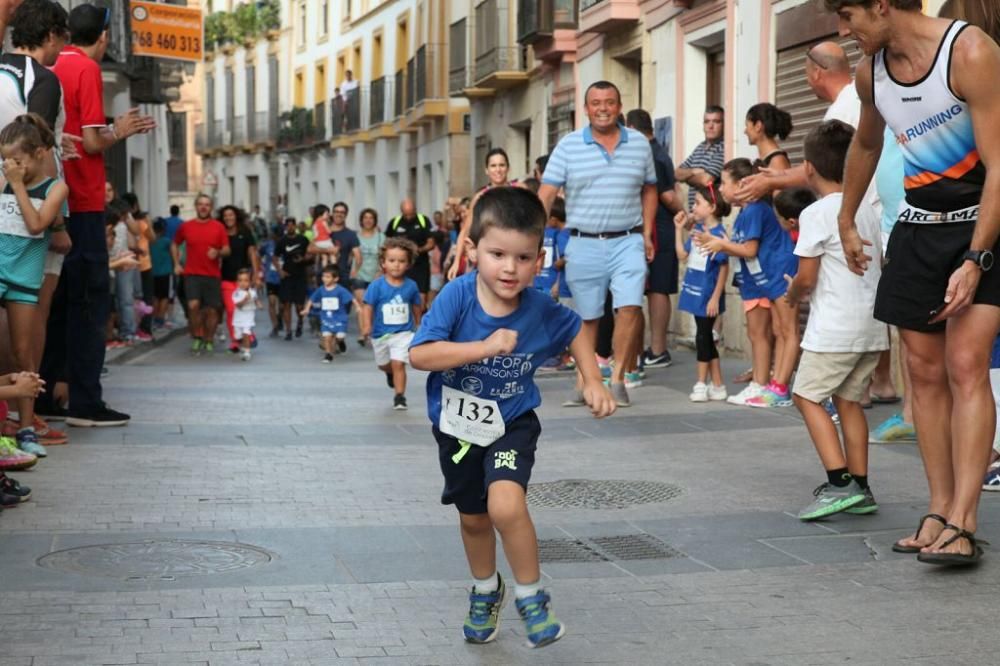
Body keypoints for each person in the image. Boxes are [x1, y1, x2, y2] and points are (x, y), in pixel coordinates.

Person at [409, 187, 616, 648]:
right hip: (457, 429)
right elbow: (420, 355)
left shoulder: (540, 307)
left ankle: (531, 596)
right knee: (474, 518)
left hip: (512, 423)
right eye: (497, 254)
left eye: (522, 258)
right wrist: (483, 348)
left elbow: (576, 329)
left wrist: (592, 379)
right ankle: (486, 589)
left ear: (538, 259)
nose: (509, 268)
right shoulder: (457, 297)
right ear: (472, 251)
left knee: (506, 505)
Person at [833, 0, 1000, 566]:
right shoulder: (869, 72)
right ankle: (938, 509)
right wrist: (845, 218)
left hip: (983, 226)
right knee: (923, 374)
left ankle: (965, 520)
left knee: (965, 366)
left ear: (882, 6)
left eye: (848, 14)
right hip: (918, 228)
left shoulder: (969, 50)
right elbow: (865, 143)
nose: (844, 29)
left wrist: (977, 257)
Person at [41, 2, 155, 428]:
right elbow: (90, 142)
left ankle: (49, 393)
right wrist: (118, 131)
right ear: (104, 36)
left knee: (54, 302)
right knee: (89, 303)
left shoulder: (52, 66)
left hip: (51, 199)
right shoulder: (86, 69)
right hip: (84, 203)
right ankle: (87, 401)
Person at [784, 120, 886, 520]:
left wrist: (792, 294)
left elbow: (806, 278)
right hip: (871, 328)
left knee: (805, 395)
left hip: (834, 330)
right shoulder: (868, 212)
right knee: (848, 402)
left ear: (808, 168)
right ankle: (861, 486)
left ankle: (839, 482)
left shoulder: (817, 213)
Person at [537, 81, 658, 408]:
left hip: (628, 240)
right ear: (586, 108)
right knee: (588, 318)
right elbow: (547, 192)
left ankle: (617, 378)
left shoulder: (639, 145)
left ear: (619, 107)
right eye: (595, 103)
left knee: (630, 307)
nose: (602, 108)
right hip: (583, 242)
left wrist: (646, 232)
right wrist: (534, 235)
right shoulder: (569, 145)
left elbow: (650, 188)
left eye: (609, 102)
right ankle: (586, 381)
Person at [698, 159, 798, 407]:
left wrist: (721, 244)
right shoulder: (746, 212)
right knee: (778, 330)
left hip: (780, 273)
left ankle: (779, 387)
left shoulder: (755, 210)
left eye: (724, 182)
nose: (719, 188)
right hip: (767, 278)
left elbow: (750, 249)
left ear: (741, 184)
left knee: (787, 330)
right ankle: (769, 385)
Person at [0, 114, 67, 457]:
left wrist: (19, 186)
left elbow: (37, 224)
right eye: (4, 159)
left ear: (39, 154)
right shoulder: (3, 179)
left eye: (17, 160)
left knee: (23, 355)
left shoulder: (55, 188)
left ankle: (26, 426)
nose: (10, 166)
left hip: (24, 278)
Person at [626, 108, 682, 369]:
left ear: (634, 129)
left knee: (657, 288)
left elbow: (667, 196)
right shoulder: (658, 151)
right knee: (653, 287)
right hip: (656, 229)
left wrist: (685, 214)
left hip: (658, 230)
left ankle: (658, 349)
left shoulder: (649, 154)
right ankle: (654, 348)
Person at [674, 183, 730, 402]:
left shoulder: (719, 234)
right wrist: (679, 230)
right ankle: (717, 384)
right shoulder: (697, 232)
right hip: (694, 291)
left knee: (702, 336)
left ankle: (700, 383)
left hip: (708, 294)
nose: (693, 207)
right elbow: (682, 255)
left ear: (712, 207)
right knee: (704, 336)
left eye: (697, 203)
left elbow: (723, 266)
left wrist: (716, 296)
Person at [360, 237, 422, 411]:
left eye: (401, 261)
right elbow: (368, 306)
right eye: (392, 260)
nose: (396, 265)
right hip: (381, 334)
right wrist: (366, 326)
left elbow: (417, 305)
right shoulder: (376, 286)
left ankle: (399, 396)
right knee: (384, 365)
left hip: (404, 333)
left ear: (408, 264)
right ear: (383, 263)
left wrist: (419, 324)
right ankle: (389, 373)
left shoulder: (411, 286)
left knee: (399, 363)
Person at [171, 194, 230, 356]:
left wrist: (217, 252)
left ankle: (209, 340)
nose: (203, 207)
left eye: (207, 205)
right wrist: (176, 264)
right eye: (200, 204)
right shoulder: (186, 226)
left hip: (212, 275)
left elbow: (227, 249)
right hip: (192, 274)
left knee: (212, 311)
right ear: (196, 206)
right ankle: (197, 336)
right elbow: (174, 244)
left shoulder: (218, 227)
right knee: (193, 306)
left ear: (210, 208)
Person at [447, 148, 516, 281]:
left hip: (514, 253)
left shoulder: (519, 190)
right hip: (490, 254)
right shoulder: (480, 197)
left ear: (508, 168)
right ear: (487, 170)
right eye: (493, 166)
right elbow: (465, 231)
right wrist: (456, 262)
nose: (498, 170)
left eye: (502, 165)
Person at [218, 205, 259, 353]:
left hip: (243, 279)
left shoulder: (245, 231)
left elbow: (252, 252)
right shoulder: (220, 232)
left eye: (231, 215)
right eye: (225, 216)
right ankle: (235, 340)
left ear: (236, 216)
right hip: (226, 278)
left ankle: (247, 333)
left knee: (245, 309)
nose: (228, 218)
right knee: (231, 310)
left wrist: (256, 273)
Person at [302, 265, 356, 363]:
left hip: (340, 318)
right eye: (323, 277)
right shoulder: (321, 289)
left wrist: (358, 307)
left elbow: (351, 298)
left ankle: (341, 342)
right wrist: (306, 309)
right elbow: (312, 299)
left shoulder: (340, 290)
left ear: (335, 279)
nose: (324, 279)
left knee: (339, 336)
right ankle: (328, 354)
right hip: (326, 317)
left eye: (328, 277)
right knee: (327, 336)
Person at [675, 106, 725, 208]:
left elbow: (706, 180)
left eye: (716, 121)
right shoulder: (700, 147)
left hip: (711, 215)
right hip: (695, 214)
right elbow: (676, 173)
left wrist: (686, 178)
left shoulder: (723, 148)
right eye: (707, 122)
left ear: (724, 125)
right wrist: (693, 171)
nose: (710, 126)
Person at [385, 198, 434, 303]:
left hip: (420, 264)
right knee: (401, 294)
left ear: (415, 210)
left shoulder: (423, 220)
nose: (409, 217)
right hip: (401, 265)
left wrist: (419, 250)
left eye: (411, 214)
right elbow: (387, 242)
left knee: (421, 296)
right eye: (406, 214)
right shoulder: (395, 222)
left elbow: (431, 243)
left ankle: (420, 316)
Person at [274, 217, 311, 341]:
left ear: (295, 226)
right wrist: (280, 271)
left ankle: (300, 323)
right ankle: (288, 331)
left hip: (300, 276)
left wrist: (304, 259)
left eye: (292, 225)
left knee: (299, 306)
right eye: (288, 225)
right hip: (287, 276)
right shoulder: (282, 241)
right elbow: (275, 257)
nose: (290, 227)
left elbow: (311, 253)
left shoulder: (303, 239)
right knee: (286, 304)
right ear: (285, 227)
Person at [354, 207, 383, 345]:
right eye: (365, 218)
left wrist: (381, 271)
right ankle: (363, 333)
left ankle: (371, 331)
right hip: (360, 274)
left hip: (376, 275)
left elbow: (385, 256)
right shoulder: (356, 237)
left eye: (371, 218)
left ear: (375, 220)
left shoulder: (381, 237)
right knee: (362, 303)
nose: (368, 220)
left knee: (372, 305)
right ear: (361, 220)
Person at [745, 103, 793, 175]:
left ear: (758, 126)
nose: (745, 131)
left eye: (747, 125)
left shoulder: (777, 161)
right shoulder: (767, 159)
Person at [327, 201, 361, 288]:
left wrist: (354, 272)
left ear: (346, 215)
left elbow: (358, 257)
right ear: (332, 213)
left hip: (342, 277)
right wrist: (327, 250)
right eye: (336, 211)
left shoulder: (351, 234)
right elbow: (310, 249)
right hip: (324, 276)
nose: (339, 214)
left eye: (342, 212)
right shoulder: (324, 232)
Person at [230, 268, 260, 362]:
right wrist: (245, 299)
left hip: (249, 317)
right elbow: (238, 305)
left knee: (246, 333)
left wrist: (259, 304)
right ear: (237, 282)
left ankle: (247, 352)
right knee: (238, 336)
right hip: (238, 318)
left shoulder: (252, 292)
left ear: (250, 282)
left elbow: (256, 299)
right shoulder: (236, 293)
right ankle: (243, 344)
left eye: (246, 280)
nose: (243, 283)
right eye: (240, 280)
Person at [149, 218, 173, 328]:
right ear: (163, 229)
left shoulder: (150, 242)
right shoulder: (167, 241)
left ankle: (154, 318)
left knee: (155, 296)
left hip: (153, 272)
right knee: (164, 297)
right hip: (165, 273)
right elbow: (174, 254)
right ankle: (161, 318)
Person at [259, 226, 282, 337]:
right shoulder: (267, 245)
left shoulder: (285, 243)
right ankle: (275, 326)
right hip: (271, 278)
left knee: (283, 305)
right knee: (272, 302)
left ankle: (280, 317)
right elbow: (258, 254)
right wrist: (261, 268)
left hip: (283, 278)